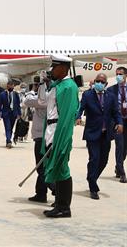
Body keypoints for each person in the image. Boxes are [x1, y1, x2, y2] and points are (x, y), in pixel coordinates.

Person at [41, 55, 79, 218]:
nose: (52, 71)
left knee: (62, 168)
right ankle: (58, 203)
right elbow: (45, 102)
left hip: (59, 131)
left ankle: (64, 207)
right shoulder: (58, 85)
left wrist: (61, 139)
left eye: (54, 67)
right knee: (55, 167)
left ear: (63, 68)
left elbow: (66, 117)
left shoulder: (69, 87)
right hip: (51, 130)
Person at [76, 73, 122, 199]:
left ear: (106, 84)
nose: (99, 83)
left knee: (104, 160)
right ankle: (93, 187)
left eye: (102, 81)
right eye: (98, 81)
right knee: (94, 158)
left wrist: (119, 123)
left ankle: (92, 177)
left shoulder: (111, 96)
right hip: (92, 133)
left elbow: (116, 112)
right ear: (94, 81)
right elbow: (80, 108)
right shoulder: (87, 95)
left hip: (106, 133)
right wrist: (78, 117)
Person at [24, 78, 55, 203]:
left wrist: (32, 90)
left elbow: (27, 101)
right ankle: (41, 193)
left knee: (41, 167)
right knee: (41, 166)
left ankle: (56, 189)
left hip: (43, 137)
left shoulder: (45, 98)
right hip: (42, 135)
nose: (36, 87)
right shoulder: (48, 96)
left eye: (38, 85)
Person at [107, 66, 127, 183]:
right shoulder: (111, 90)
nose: (118, 76)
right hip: (118, 122)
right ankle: (122, 171)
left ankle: (118, 166)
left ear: (125, 75)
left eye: (120, 74)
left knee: (125, 148)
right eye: (117, 74)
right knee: (120, 146)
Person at [0, 81, 21, 148]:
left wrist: (19, 114)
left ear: (13, 86)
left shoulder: (16, 94)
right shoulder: (2, 94)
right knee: (7, 127)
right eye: (9, 85)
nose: (11, 87)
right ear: (7, 86)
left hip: (14, 114)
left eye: (12, 85)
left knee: (11, 128)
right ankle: (8, 141)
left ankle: (8, 139)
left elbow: (18, 104)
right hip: (6, 114)